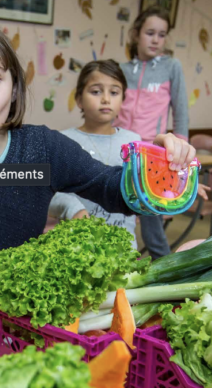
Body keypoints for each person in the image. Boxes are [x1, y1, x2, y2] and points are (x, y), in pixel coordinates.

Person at [0, 16, 198, 313]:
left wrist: (156, 170)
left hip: (29, 319)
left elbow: (109, 186)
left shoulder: (42, 150)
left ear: (14, 86)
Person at [114, 6, 189, 259]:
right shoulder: (122, 70)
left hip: (153, 154)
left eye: (162, 34)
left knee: (150, 220)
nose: (156, 40)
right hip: (122, 150)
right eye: (150, 33)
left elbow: (181, 113)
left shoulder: (172, 67)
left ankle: (163, 267)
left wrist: (180, 156)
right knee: (116, 211)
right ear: (136, 34)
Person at [49, 60, 142, 249]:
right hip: (76, 247)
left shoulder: (134, 142)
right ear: (79, 99)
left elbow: (142, 185)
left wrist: (173, 185)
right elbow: (49, 193)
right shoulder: (63, 141)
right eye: (96, 91)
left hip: (123, 247)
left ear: (123, 99)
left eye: (114, 92)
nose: (106, 99)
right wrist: (72, 208)